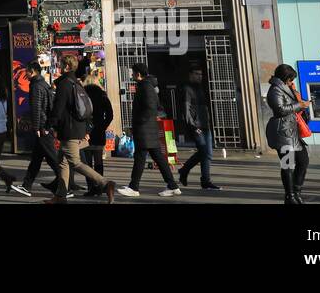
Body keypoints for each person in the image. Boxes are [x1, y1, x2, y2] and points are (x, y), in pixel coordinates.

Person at [48, 53, 115, 203]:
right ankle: (60, 196)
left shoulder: (65, 84)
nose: (58, 67)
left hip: (69, 129)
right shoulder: (76, 83)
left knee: (75, 162)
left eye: (60, 65)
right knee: (64, 162)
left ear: (66, 67)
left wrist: (49, 125)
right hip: (76, 128)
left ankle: (105, 183)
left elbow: (58, 108)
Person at [117, 64, 180, 198]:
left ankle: (134, 187)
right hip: (148, 128)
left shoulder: (145, 87)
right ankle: (172, 185)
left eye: (133, 73)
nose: (132, 76)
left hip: (145, 129)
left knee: (140, 158)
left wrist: (140, 121)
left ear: (138, 74)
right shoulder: (147, 86)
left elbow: (151, 107)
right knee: (157, 158)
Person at [265, 64, 311, 204]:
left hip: (292, 131)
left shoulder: (287, 89)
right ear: (285, 78)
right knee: (288, 164)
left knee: (303, 160)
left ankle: (296, 191)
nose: (292, 83)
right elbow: (279, 109)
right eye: (291, 80)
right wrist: (300, 105)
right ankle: (289, 196)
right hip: (283, 132)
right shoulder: (275, 90)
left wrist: (300, 103)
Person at [19, 60, 63, 195]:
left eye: (27, 71)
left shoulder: (36, 86)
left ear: (32, 72)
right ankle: (26, 185)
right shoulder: (43, 83)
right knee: (36, 158)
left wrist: (37, 127)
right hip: (45, 125)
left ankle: (65, 186)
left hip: (43, 127)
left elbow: (37, 108)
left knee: (52, 158)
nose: (25, 73)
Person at [177, 67, 220, 190]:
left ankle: (184, 171)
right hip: (196, 126)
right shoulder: (187, 89)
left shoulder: (200, 89)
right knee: (205, 152)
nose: (199, 76)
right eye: (196, 74)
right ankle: (205, 181)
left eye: (201, 74)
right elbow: (186, 111)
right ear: (190, 75)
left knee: (207, 153)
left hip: (205, 125)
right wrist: (193, 126)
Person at [82, 76, 114, 196]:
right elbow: (110, 114)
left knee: (87, 163)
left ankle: (91, 188)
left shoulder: (83, 94)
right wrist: (103, 125)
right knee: (99, 161)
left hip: (86, 132)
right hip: (99, 131)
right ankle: (100, 186)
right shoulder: (102, 95)